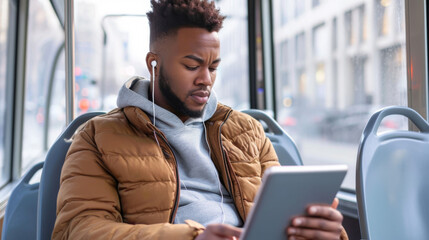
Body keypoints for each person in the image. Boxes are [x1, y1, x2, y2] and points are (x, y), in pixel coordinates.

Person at [53, 0, 348, 239]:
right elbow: (78, 231)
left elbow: (283, 216)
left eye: (213, 67)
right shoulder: (98, 137)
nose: (206, 80)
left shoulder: (247, 131)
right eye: (192, 65)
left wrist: (325, 232)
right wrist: (191, 237)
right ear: (153, 64)